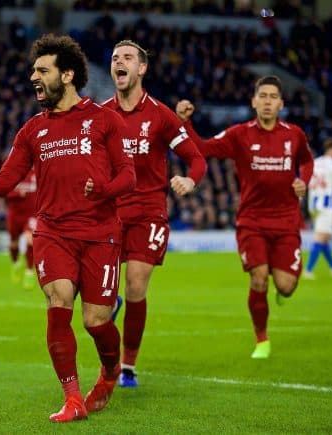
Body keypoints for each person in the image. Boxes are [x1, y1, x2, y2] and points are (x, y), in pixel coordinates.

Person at [0, 34, 136, 422]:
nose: (34, 77)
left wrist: (104, 189)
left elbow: (128, 176)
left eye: (42, 70)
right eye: (33, 70)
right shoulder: (31, 131)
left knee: (96, 321)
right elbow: (3, 182)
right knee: (58, 301)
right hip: (53, 232)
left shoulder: (104, 119)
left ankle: (110, 372)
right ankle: (73, 398)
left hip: (100, 233)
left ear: (68, 74)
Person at [176, 75, 314, 359]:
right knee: (259, 278)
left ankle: (281, 282)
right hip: (252, 221)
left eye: (272, 96)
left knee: (286, 287)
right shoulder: (239, 134)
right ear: (253, 101)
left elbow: (307, 160)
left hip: (287, 222)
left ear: (281, 103)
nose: (267, 101)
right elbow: (201, 147)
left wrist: (304, 181)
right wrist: (185, 123)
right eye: (262, 95)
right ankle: (261, 339)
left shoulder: (294, 135)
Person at [102, 40, 207, 387]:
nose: (120, 62)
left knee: (136, 285)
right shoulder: (101, 114)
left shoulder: (161, 116)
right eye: (116, 58)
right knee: (96, 298)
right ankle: (108, 308)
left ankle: (127, 366)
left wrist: (190, 181)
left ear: (141, 68)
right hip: (110, 212)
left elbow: (197, 158)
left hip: (149, 211)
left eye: (128, 58)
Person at [304, 138, 332, 279]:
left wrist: (310, 206)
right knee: (321, 237)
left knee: (325, 237)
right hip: (326, 204)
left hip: (314, 204)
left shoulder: (315, 163)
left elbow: (309, 185)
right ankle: (308, 270)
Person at [5, 169, 37, 289]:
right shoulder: (14, 173)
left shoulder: (37, 173)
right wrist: (18, 193)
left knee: (30, 240)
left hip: (31, 215)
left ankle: (29, 272)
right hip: (15, 215)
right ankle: (15, 264)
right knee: (14, 244)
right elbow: (4, 191)